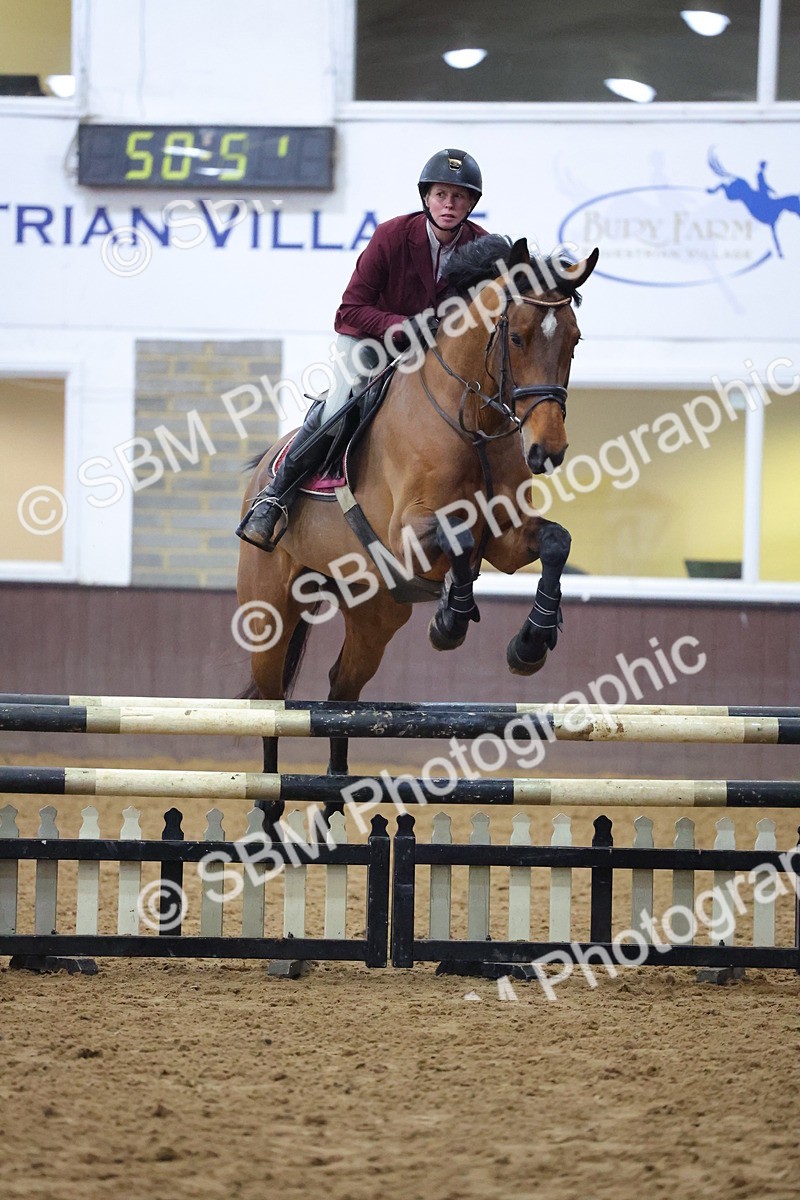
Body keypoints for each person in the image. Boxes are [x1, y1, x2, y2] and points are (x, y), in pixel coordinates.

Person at [236, 148, 488, 551]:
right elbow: (349, 310)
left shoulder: (482, 247)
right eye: (441, 194)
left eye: (459, 197)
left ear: (471, 203)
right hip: (372, 342)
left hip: (435, 357)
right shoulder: (391, 236)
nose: (449, 204)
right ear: (426, 197)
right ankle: (275, 496)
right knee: (339, 405)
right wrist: (402, 326)